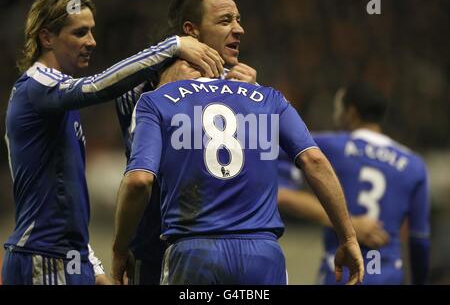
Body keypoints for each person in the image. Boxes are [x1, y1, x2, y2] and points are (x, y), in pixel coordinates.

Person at [2, 0, 223, 285]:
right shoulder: (36, 87)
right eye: (80, 33)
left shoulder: (58, 102)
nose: (92, 41)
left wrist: (91, 266)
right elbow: (97, 86)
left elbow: (66, 198)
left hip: (69, 257)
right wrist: (171, 47)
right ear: (46, 37)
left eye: (92, 32)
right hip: (41, 258)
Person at [111, 74, 365, 284]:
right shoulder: (268, 97)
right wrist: (349, 237)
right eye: (228, 20)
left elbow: (138, 181)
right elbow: (315, 161)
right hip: (262, 254)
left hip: (193, 252)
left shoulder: (156, 101)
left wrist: (120, 248)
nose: (238, 28)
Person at [114, 0, 257, 285]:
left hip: (226, 247)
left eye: (238, 19)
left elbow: (256, 172)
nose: (239, 29)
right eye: (226, 20)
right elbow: (140, 168)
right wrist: (164, 79)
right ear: (191, 31)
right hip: (154, 248)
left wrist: (252, 102)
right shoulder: (146, 84)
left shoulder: (243, 86)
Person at [284, 82, 429, 285]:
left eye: (337, 108)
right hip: (388, 275)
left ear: (350, 112)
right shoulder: (415, 165)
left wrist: (347, 224)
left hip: (341, 273)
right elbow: (419, 240)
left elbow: (276, 180)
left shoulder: (327, 146)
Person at [277, 149, 391, 250]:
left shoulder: (331, 143)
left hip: (338, 262)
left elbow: (282, 195)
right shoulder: (406, 160)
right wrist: (348, 225)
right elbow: (281, 195)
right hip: (388, 263)